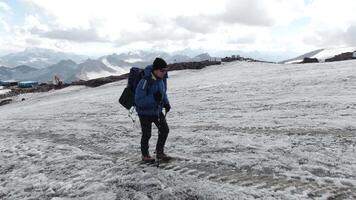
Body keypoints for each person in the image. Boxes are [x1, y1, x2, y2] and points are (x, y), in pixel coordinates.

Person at [135, 57, 172, 162]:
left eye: (165, 70)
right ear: (155, 69)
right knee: (147, 134)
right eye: (162, 70)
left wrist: (166, 103)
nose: (164, 73)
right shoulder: (144, 81)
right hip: (144, 113)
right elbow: (139, 101)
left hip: (157, 111)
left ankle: (159, 152)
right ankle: (145, 155)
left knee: (164, 130)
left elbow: (163, 93)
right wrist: (153, 99)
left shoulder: (161, 80)